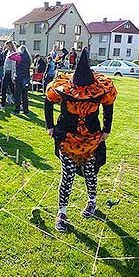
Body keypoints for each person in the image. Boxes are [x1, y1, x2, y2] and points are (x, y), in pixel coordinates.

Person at [44, 47, 118, 232]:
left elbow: (108, 106)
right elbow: (47, 100)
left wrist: (107, 129)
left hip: (91, 140)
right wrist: (50, 125)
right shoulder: (64, 89)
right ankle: (62, 213)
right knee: (67, 175)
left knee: (89, 172)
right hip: (67, 138)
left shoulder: (99, 90)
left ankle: (92, 202)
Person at [9, 45, 32, 115]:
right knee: (25, 96)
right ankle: (26, 110)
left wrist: (16, 52)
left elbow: (10, 57)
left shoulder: (19, 57)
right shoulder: (28, 58)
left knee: (17, 95)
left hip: (19, 78)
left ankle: (17, 110)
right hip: (26, 78)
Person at [0, 41, 16, 110]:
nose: (6, 47)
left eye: (7, 45)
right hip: (6, 73)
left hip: (9, 73)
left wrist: (12, 76)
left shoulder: (13, 54)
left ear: (10, 46)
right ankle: (3, 104)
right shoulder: (8, 52)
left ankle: (3, 105)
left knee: (6, 89)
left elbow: (13, 65)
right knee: (8, 89)